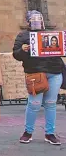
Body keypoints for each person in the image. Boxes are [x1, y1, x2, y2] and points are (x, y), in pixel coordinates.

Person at [13, 10, 63, 145]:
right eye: (34, 20)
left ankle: (50, 133)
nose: (37, 23)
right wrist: (22, 50)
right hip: (35, 73)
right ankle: (28, 132)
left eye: (39, 20)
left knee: (51, 104)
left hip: (54, 72)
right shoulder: (23, 36)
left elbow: (60, 51)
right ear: (28, 22)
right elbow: (16, 55)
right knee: (34, 104)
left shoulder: (51, 35)